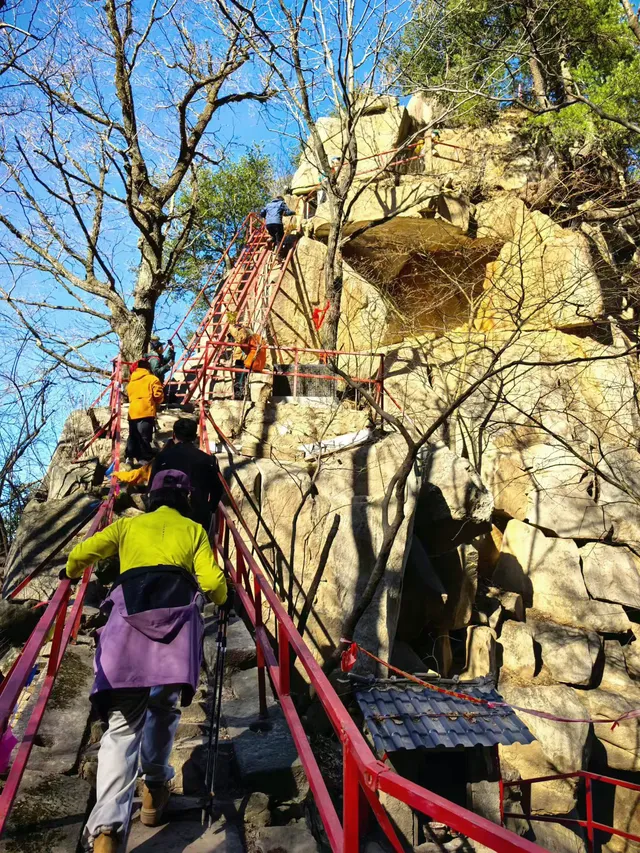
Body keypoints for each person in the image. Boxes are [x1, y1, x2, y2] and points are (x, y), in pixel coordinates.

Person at [63, 470, 228, 853]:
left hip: (127, 637)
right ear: (186, 499)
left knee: (121, 729)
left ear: (151, 498)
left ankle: (106, 831)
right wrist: (223, 599)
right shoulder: (194, 531)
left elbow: (82, 553)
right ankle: (154, 791)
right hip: (175, 639)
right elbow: (214, 584)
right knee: (165, 707)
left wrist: (69, 572)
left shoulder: (127, 527)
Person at [150, 418, 224, 531]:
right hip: (196, 517)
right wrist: (209, 509)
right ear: (195, 437)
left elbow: (152, 486)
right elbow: (217, 489)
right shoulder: (207, 459)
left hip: (165, 515)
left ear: (174, 435)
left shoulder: (162, 457)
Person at [125, 359, 164, 465]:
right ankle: (144, 458)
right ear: (148, 368)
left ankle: (129, 457)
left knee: (133, 435)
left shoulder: (131, 382)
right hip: (146, 410)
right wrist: (159, 401)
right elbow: (157, 395)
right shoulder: (152, 379)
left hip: (132, 412)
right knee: (144, 436)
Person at [227, 319, 267, 400]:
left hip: (244, 360)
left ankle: (239, 397)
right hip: (247, 359)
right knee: (244, 380)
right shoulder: (252, 334)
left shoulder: (243, 332)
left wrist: (230, 325)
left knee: (240, 380)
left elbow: (239, 337)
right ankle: (245, 397)